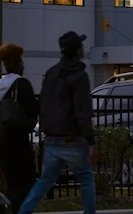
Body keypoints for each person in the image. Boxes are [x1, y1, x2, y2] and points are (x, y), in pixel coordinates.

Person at [18, 32, 99, 214]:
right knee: (86, 178)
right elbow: (82, 112)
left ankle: (23, 212)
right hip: (72, 138)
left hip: (52, 138)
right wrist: (91, 142)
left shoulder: (51, 73)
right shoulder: (80, 77)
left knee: (45, 180)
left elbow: (43, 104)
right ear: (79, 51)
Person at [0, 43, 39, 214]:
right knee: (26, 180)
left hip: (2, 141)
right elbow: (33, 110)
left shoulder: (1, 84)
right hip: (19, 141)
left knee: (10, 180)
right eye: (21, 62)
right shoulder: (21, 84)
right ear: (16, 63)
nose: (23, 66)